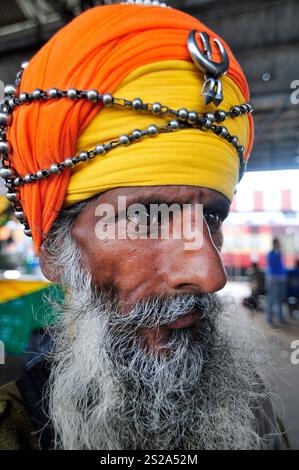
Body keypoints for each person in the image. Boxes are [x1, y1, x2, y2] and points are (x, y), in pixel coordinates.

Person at [0, 1, 286, 450]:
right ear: (56, 248)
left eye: (211, 217)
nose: (212, 275)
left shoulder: (251, 412)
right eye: (147, 218)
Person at [266, 238, 286, 326]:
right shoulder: (271, 254)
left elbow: (281, 266)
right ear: (274, 244)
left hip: (280, 278)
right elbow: (273, 264)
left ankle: (280, 318)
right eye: (278, 243)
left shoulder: (279, 253)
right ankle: (270, 319)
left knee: (280, 299)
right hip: (273, 279)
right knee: (271, 299)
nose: (279, 245)